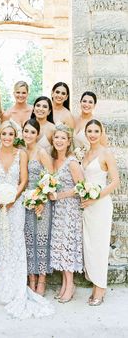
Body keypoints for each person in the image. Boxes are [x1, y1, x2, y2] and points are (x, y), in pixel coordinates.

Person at [0, 120, 54, 319]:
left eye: (10, 134)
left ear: (15, 136)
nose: (7, 137)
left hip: (16, 205)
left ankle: (17, 287)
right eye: (4, 134)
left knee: (16, 243)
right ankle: (0, 287)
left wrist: (12, 198)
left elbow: (23, 180)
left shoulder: (22, 153)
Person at [81, 119, 119, 306]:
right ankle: (95, 282)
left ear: (101, 132)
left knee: (100, 246)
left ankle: (100, 289)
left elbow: (115, 181)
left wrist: (96, 197)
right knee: (89, 245)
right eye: (90, 130)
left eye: (96, 130)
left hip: (101, 204)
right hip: (87, 206)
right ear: (86, 133)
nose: (93, 134)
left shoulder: (106, 153)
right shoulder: (85, 152)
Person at [49, 124, 84, 303]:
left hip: (69, 209)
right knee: (60, 247)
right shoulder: (53, 160)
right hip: (57, 210)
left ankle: (70, 285)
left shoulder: (72, 162)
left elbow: (81, 187)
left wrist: (59, 195)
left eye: (63, 138)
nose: (59, 141)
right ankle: (64, 283)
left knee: (67, 247)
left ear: (69, 141)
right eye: (57, 137)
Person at [22, 119, 53, 296]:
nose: (28, 135)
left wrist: (41, 200)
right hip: (25, 202)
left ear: (37, 134)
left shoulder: (41, 152)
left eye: (32, 132)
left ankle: (41, 279)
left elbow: (50, 178)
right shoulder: (21, 152)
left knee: (41, 239)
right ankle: (30, 278)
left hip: (41, 201)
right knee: (28, 240)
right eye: (26, 131)